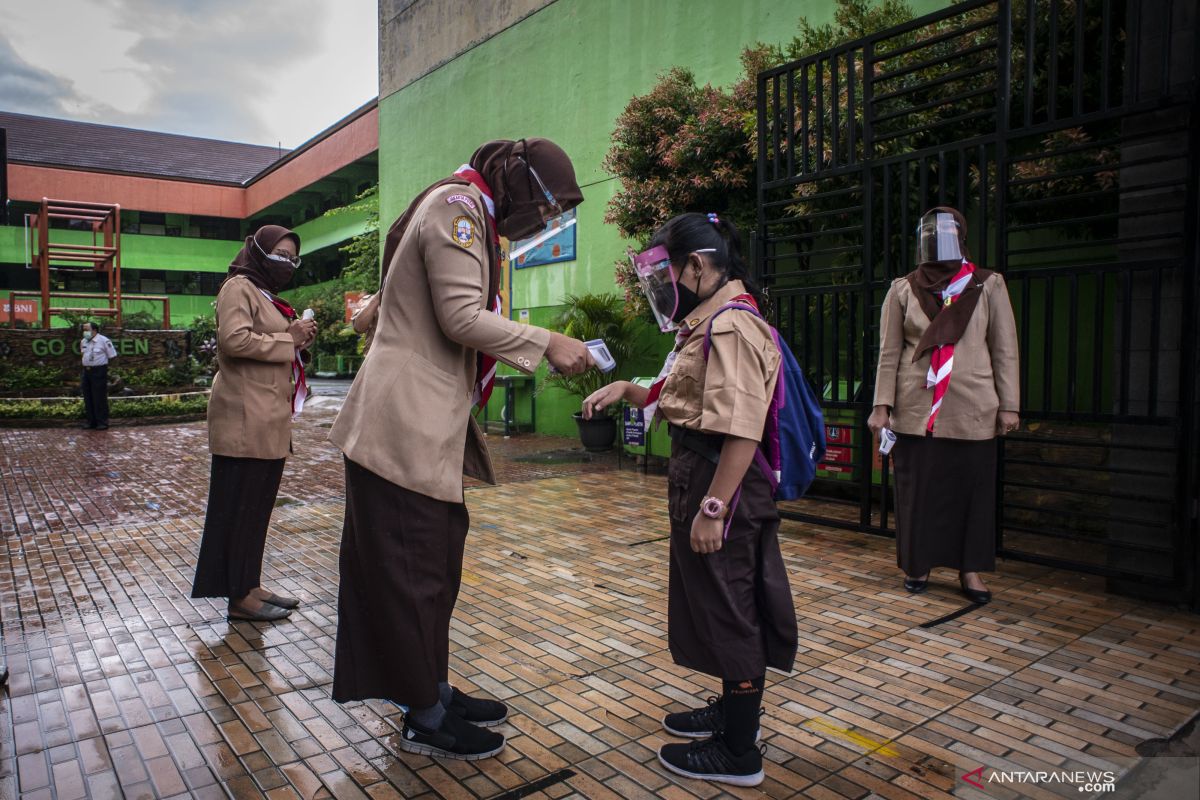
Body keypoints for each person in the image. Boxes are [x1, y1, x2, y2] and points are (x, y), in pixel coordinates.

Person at [329, 138, 594, 761]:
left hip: (420, 419)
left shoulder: (468, 209)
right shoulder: (458, 208)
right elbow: (459, 316)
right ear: (519, 182)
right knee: (411, 571)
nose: (549, 220)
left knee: (432, 566)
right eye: (550, 204)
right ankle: (425, 717)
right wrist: (547, 340)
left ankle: (434, 690)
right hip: (402, 423)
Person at [583, 212, 797, 788]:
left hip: (719, 482)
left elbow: (742, 428)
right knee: (716, 598)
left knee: (732, 606)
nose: (664, 292)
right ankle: (731, 710)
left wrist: (714, 509)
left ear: (697, 267)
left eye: (667, 276)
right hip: (703, 475)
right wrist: (627, 390)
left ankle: (738, 751)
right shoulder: (709, 321)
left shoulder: (729, 326)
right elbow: (683, 396)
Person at [868, 206, 1020, 604]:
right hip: (917, 410)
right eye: (930, 233)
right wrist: (881, 405)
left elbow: (1004, 349)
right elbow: (889, 353)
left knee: (971, 492)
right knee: (918, 491)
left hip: (973, 406)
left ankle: (969, 570)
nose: (938, 240)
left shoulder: (987, 285)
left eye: (947, 232)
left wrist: (1010, 405)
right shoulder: (903, 288)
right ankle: (918, 563)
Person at [191, 225, 317, 622]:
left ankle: (249, 585)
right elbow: (234, 340)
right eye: (279, 254)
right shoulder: (238, 288)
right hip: (244, 422)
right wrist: (289, 339)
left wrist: (298, 341)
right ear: (259, 252)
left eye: (293, 258)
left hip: (267, 421)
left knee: (256, 512)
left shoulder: (265, 296)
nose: (287, 263)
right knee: (238, 511)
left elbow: (269, 342)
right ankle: (238, 596)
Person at [80, 320, 118, 430]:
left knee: (99, 397)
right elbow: (83, 355)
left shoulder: (104, 341)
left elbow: (112, 356)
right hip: (86, 372)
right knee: (88, 397)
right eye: (84, 330)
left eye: (87, 330)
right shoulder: (83, 341)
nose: (84, 332)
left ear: (95, 330)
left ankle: (102, 422)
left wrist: (108, 372)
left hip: (99, 371)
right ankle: (90, 422)